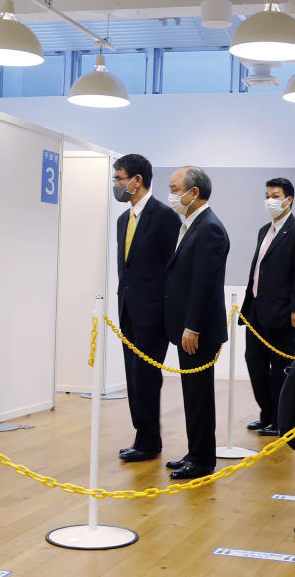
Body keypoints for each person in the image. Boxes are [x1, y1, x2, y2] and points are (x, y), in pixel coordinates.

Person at [112, 154, 182, 462]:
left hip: (153, 314)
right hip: (127, 310)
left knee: (147, 377)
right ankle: (143, 435)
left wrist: (167, 313)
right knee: (132, 376)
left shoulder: (164, 217)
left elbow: (173, 269)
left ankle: (149, 441)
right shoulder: (122, 220)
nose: (116, 185)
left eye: (119, 178)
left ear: (136, 180)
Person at [161, 166, 229, 479]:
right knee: (192, 394)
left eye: (175, 189)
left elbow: (205, 284)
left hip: (197, 330)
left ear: (194, 192)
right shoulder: (192, 224)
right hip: (188, 327)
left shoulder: (209, 228)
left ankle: (202, 460)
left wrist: (193, 326)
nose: (172, 195)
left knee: (199, 395)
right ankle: (195, 451)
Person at [240, 178, 295, 436]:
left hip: (283, 313)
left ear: (288, 199)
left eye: (276, 195)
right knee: (254, 363)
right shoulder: (264, 230)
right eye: (267, 195)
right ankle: (266, 414)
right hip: (255, 311)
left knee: (281, 367)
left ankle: (282, 420)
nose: (270, 200)